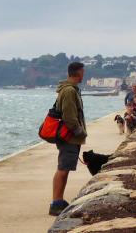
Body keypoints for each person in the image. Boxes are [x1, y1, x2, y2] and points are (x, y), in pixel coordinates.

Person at [49, 62, 88, 216]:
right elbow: (69, 117)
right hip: (69, 137)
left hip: (70, 137)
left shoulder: (70, 90)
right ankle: (56, 202)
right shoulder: (69, 91)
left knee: (65, 168)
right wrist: (80, 132)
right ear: (78, 73)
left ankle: (59, 200)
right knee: (63, 168)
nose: (84, 75)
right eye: (83, 72)